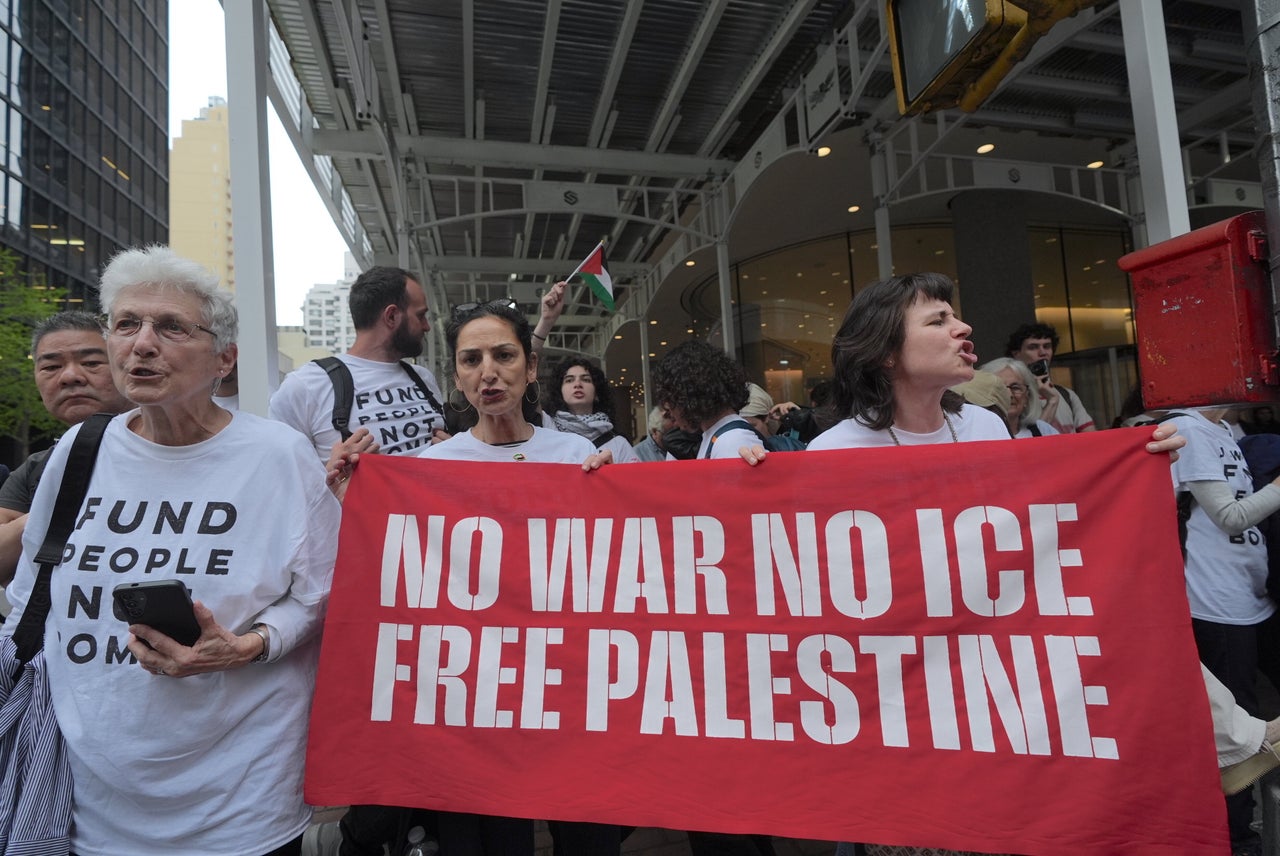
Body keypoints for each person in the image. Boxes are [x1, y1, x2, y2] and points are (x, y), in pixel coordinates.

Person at [739, 272, 1183, 855]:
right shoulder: (832, 453)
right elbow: (806, 586)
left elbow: (1029, 543)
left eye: (956, 316)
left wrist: (1134, 464)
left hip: (993, 693)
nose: (963, 328)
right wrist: (742, 490)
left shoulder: (985, 427)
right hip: (900, 709)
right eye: (938, 320)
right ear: (885, 353)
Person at [0, 245, 340, 855]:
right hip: (83, 808)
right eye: (126, 324)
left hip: (239, 808)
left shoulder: (278, 456)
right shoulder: (79, 451)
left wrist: (249, 646)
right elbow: (31, 596)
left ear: (224, 359)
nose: (142, 343)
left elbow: (324, 593)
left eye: (171, 327)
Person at [328, 299, 613, 856]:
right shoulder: (432, 468)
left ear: (530, 368)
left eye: (504, 355)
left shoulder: (579, 455)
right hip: (478, 702)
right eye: (471, 359)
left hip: (569, 687)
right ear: (456, 376)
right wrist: (353, 504)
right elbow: (399, 574)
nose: (488, 372)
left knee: (586, 834)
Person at [0, 311, 133, 586]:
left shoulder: (174, 450)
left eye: (92, 362)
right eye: (50, 367)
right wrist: (53, 513)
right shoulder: (38, 467)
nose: (70, 377)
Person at [269, 265, 447, 459]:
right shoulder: (306, 386)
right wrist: (331, 476)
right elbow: (279, 475)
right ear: (391, 316)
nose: (427, 326)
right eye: (420, 315)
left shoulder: (423, 378)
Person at [651, 340, 758, 460]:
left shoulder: (730, 441)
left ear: (686, 396)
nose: (669, 410)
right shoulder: (722, 436)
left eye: (670, 400)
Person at [545, 355, 640, 463]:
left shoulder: (619, 444)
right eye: (569, 380)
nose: (577, 384)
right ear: (559, 392)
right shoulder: (549, 432)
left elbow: (636, 479)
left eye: (586, 379)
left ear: (597, 393)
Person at [1004, 322, 1094, 433]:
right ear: (1016, 354)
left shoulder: (1066, 394)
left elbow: (1090, 435)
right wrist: (1051, 401)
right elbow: (1033, 438)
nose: (1042, 352)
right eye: (1033, 347)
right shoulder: (1013, 397)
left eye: (1047, 346)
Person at [979, 357, 1058, 438]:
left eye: (1015, 387)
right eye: (999, 388)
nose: (1009, 395)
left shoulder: (1043, 431)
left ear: (1027, 396)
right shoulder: (973, 432)